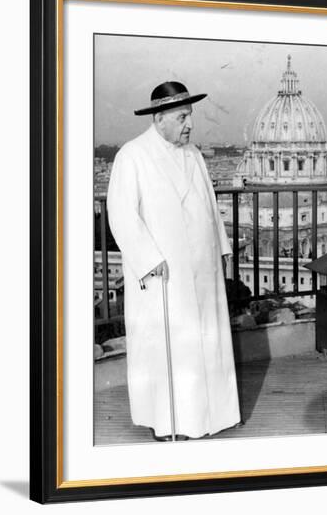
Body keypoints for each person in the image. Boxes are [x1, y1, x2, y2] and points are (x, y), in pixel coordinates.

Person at [107, 81, 241, 441]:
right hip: (163, 273)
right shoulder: (131, 156)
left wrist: (222, 250)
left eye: (189, 117)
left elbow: (211, 208)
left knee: (206, 341)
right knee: (170, 347)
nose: (189, 125)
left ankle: (212, 417)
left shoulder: (194, 154)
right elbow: (120, 213)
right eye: (182, 117)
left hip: (203, 268)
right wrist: (149, 259)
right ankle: (170, 424)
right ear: (160, 118)